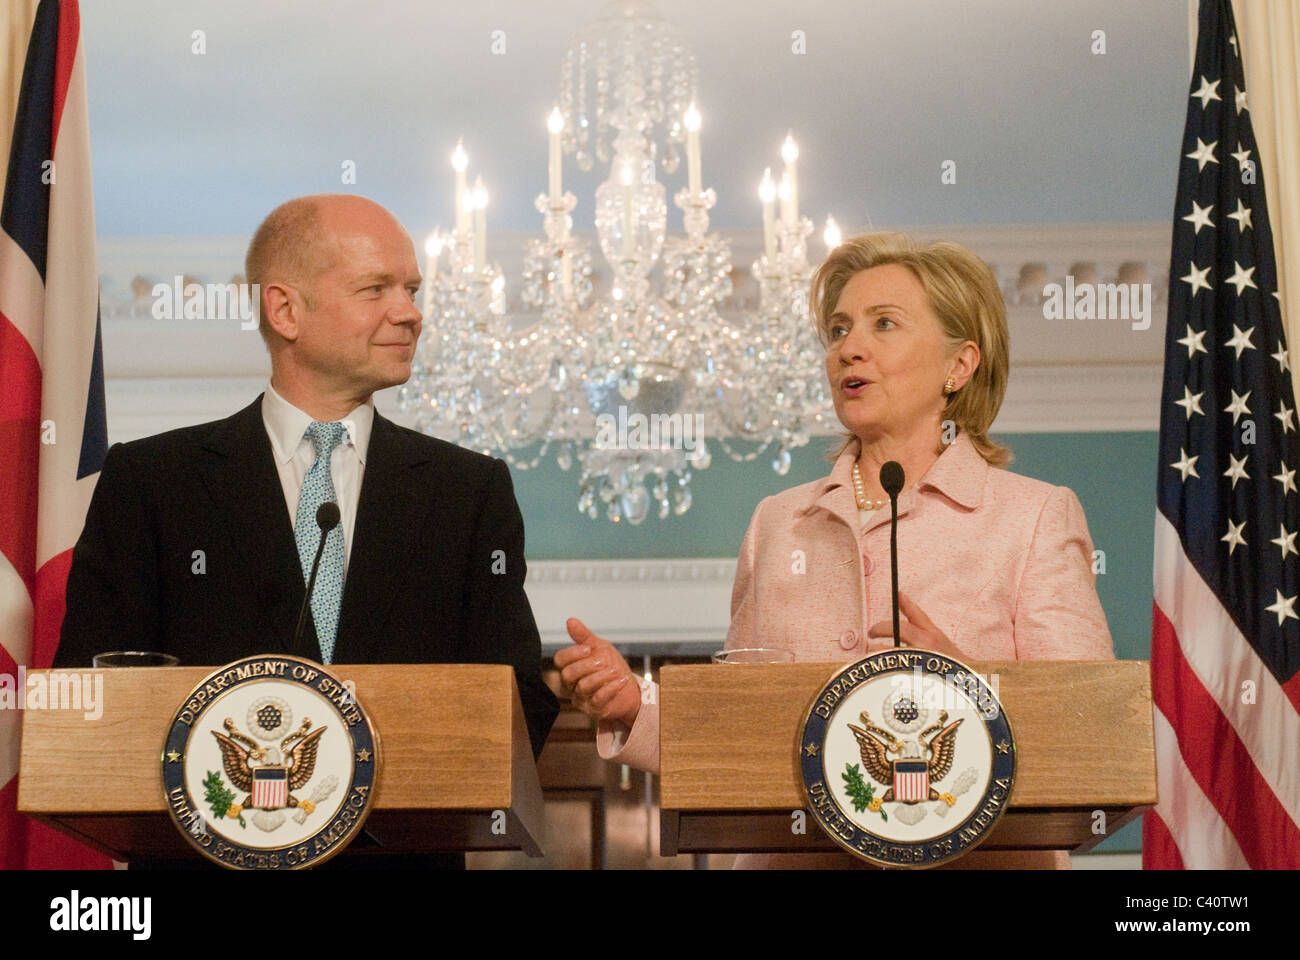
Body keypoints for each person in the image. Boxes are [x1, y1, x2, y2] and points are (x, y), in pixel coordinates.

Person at [556, 232, 1114, 869]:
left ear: (959, 365)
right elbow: (742, 726)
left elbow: (1085, 736)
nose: (850, 347)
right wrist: (636, 704)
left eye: (884, 324)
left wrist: (969, 687)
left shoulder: (1034, 516)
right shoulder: (778, 522)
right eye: (839, 328)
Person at [55, 194, 559, 867]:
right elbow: (94, 689)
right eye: (376, 288)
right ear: (285, 310)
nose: (410, 312)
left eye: (411, 289)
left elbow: (513, 699)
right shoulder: (154, 481)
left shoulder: (467, 491)